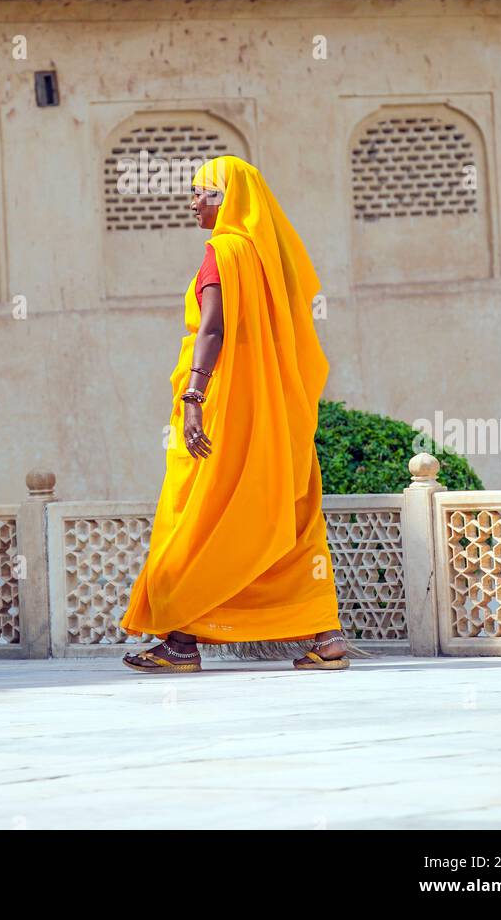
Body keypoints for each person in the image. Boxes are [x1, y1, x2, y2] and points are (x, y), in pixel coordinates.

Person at [120, 154, 350, 673]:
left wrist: (194, 398)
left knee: (201, 521)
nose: (192, 201)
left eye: (201, 192)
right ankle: (327, 636)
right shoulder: (273, 261)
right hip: (277, 413)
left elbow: (213, 330)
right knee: (281, 519)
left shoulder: (220, 253)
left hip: (227, 409)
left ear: (224, 200)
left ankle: (179, 642)